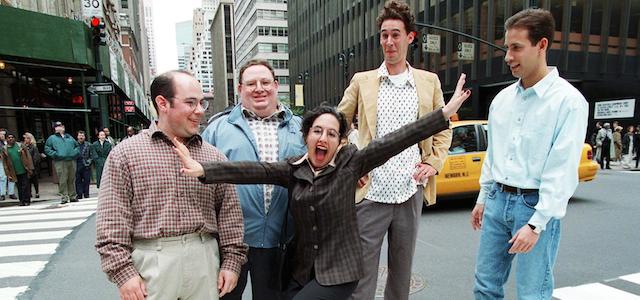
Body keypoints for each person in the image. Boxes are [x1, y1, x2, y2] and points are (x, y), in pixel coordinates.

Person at [174, 75, 470, 300]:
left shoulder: (351, 164)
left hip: (339, 271)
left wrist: (444, 115)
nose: (323, 138)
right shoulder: (294, 169)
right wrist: (204, 170)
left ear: (340, 141)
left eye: (331, 133)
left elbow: (398, 139)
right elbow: (254, 170)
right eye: (317, 130)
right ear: (307, 136)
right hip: (301, 271)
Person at [95, 70, 248, 300]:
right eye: (190, 103)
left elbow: (229, 215)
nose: (199, 111)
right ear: (162, 103)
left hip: (204, 258)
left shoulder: (214, 156)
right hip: (151, 261)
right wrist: (123, 273)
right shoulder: (125, 154)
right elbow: (112, 219)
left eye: (201, 103)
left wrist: (232, 262)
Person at [470, 9, 588, 300]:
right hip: (498, 198)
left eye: (516, 48)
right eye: (507, 48)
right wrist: (484, 197)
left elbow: (561, 170)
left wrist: (537, 223)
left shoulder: (568, 102)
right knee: (485, 286)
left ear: (542, 45)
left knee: (532, 293)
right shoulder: (502, 100)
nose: (508, 56)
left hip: (534, 205)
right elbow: (494, 154)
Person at [336, 1, 452, 298]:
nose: (389, 41)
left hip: (409, 190)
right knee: (362, 277)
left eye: (396, 35)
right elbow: (337, 126)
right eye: (384, 35)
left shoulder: (428, 82)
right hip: (371, 192)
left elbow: (442, 128)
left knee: (401, 274)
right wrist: (351, 163)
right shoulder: (363, 81)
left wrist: (433, 163)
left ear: (410, 37)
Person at [201, 59, 306, 300]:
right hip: (231, 241)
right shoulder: (217, 129)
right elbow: (200, 179)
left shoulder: (300, 128)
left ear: (276, 85)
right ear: (240, 89)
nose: (259, 88)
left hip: (281, 238)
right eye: (251, 83)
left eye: (265, 82)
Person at [45, 121, 80, 204]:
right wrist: (56, 155)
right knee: (63, 179)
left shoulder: (69, 137)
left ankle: (72, 196)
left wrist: (74, 153)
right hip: (60, 161)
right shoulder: (52, 138)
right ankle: (64, 196)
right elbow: (47, 148)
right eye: (57, 126)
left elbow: (77, 146)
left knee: (71, 178)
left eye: (60, 126)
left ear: (63, 127)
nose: (58, 128)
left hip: (71, 160)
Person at [2, 133, 34, 206]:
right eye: (9, 137)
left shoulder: (20, 145)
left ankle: (27, 200)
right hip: (13, 171)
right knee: (19, 186)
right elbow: (4, 163)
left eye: (12, 137)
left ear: (15, 138)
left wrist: (30, 168)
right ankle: (22, 201)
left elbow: (28, 156)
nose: (10, 139)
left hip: (24, 168)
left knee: (25, 185)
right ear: (6, 139)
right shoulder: (5, 149)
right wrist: (8, 174)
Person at [23, 132, 42, 198]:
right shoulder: (23, 147)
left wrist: (32, 166)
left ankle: (37, 192)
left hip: (33, 166)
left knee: (34, 180)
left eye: (27, 138)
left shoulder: (33, 147)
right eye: (25, 138)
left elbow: (36, 158)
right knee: (28, 180)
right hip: (26, 166)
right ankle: (29, 192)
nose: (25, 140)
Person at [0, 128, 17, 201]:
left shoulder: (9, 142)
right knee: (3, 177)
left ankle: (11, 193)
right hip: (1, 161)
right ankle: (2, 194)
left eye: (4, 134)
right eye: (1, 134)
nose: (2, 135)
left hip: (10, 161)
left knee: (12, 176)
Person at [75, 131, 92, 199]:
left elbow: (91, 155)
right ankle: (79, 194)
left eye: (82, 136)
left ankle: (86, 194)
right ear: (77, 137)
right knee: (78, 180)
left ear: (84, 137)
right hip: (77, 164)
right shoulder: (74, 144)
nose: (81, 137)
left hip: (86, 165)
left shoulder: (88, 145)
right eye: (80, 136)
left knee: (86, 180)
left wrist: (89, 162)